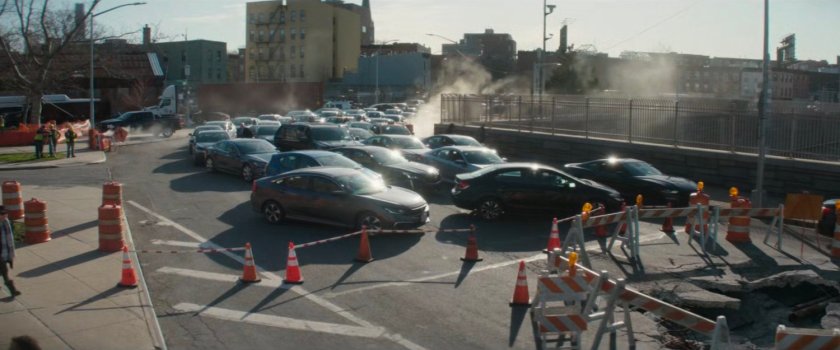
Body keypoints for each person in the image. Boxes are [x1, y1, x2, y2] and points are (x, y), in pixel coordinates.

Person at [0, 205, 21, 297]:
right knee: (4, 271)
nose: (5, 216)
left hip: (3, 253)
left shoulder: (5, 222)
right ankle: (13, 290)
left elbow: (10, 239)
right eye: (2, 214)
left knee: (5, 271)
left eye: (5, 214)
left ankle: (13, 290)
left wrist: (11, 254)